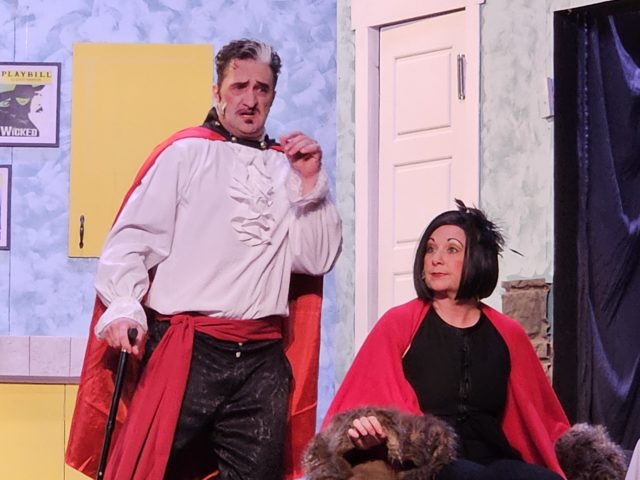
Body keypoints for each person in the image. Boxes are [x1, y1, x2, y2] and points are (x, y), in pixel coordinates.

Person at [65, 38, 342, 480]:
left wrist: (310, 183)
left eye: (262, 89)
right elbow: (131, 241)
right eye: (239, 86)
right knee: (157, 471)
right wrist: (124, 305)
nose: (250, 100)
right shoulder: (184, 153)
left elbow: (316, 259)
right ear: (217, 91)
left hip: (261, 358)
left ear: (273, 95)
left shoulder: (287, 167)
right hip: (189, 349)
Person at [318, 200, 570, 480]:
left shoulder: (508, 333)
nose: (435, 259)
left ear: (478, 258)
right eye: (430, 249)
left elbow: (541, 420)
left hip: (495, 457)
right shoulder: (400, 323)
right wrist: (365, 435)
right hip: (425, 463)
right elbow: (362, 401)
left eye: (452, 249)